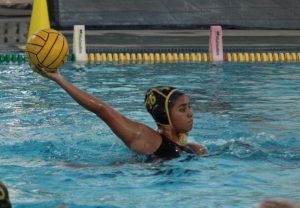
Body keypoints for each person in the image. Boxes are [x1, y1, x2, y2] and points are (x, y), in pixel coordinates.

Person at [33, 67, 207, 160]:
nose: (190, 114)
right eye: (182, 109)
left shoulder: (190, 147)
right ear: (164, 115)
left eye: (189, 107)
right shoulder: (147, 138)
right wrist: (59, 78)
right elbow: (102, 110)